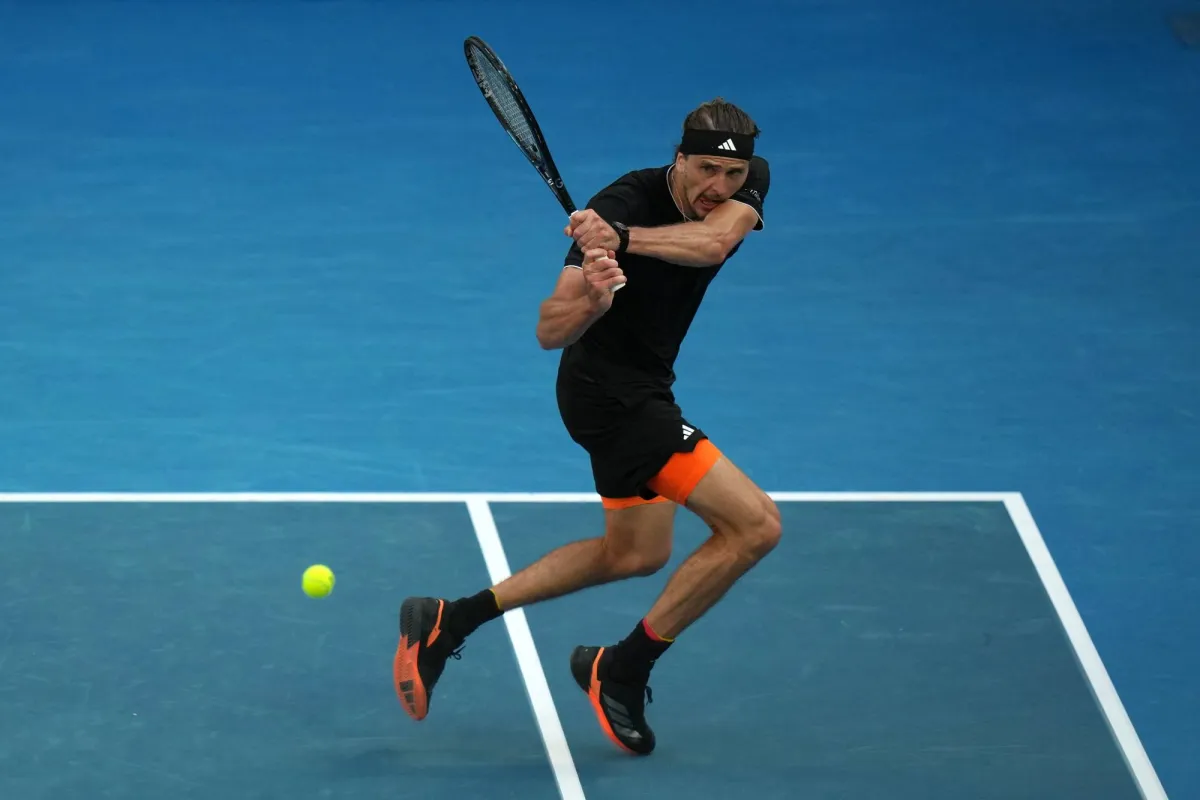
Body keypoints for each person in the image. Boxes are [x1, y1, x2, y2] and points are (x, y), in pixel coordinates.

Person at [393, 97, 781, 756]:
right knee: (756, 526)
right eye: (706, 170)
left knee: (634, 555)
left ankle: (449, 620)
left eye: (732, 174)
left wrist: (622, 240)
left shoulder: (715, 197)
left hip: (649, 387)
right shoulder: (620, 201)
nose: (718, 187)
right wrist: (594, 301)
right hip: (608, 397)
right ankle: (623, 669)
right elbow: (550, 330)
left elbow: (714, 243)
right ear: (678, 158)